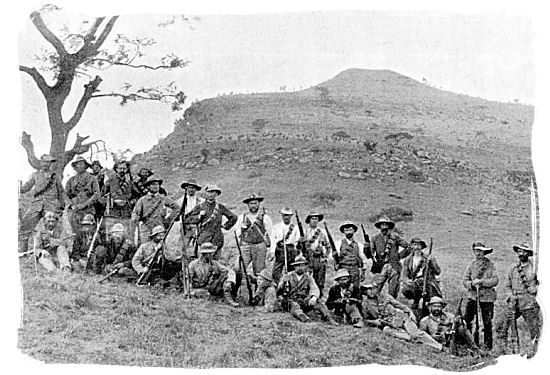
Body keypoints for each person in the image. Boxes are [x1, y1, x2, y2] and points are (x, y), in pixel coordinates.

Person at [361, 281, 443, 350]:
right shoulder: (365, 304)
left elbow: (401, 306)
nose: (372, 291)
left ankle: (439, 346)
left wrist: (410, 312)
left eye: (373, 288)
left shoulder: (385, 297)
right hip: (389, 323)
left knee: (415, 333)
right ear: (365, 291)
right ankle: (410, 338)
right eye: (369, 289)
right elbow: (365, 319)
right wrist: (374, 321)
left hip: (402, 318)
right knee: (386, 330)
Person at [496, 243, 541, 357]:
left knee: (534, 330)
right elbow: (507, 285)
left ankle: (535, 353)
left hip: (528, 302)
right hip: (513, 302)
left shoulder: (534, 268)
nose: (521, 254)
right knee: (502, 325)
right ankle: (503, 350)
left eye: (524, 251)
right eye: (519, 251)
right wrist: (510, 295)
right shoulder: (513, 268)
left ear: (528, 254)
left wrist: (535, 288)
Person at [19, 154, 68, 252]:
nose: (47, 164)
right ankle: (23, 252)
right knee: (26, 224)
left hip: (51, 205)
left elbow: (61, 191)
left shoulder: (55, 176)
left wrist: (62, 206)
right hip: (36, 204)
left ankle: (54, 250)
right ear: (41, 163)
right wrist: (18, 185)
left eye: (49, 162)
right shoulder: (35, 175)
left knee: (53, 227)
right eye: (45, 162)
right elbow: (25, 188)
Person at [277, 255, 338, 325]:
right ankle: (303, 317)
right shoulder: (288, 276)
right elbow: (279, 290)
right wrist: (284, 282)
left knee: (320, 304)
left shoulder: (308, 277)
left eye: (302, 266)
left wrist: (314, 298)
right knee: (294, 305)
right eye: (298, 266)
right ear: (294, 267)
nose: (300, 268)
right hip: (291, 300)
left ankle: (329, 318)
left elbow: (314, 288)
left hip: (303, 300)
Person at [462, 242, 499, 350]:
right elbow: (465, 280)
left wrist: (482, 282)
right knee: (467, 319)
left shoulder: (491, 265)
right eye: (476, 251)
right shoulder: (472, 265)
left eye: (480, 251)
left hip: (487, 298)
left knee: (487, 322)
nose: (478, 253)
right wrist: (471, 284)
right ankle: (469, 342)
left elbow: (495, 280)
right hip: (473, 296)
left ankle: (488, 346)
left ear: (484, 252)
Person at [185, 184, 237, 259]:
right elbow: (188, 219)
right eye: (209, 192)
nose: (211, 194)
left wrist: (225, 226)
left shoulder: (220, 207)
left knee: (215, 263)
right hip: (204, 238)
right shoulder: (199, 206)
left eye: (213, 192)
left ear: (216, 194)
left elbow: (233, 217)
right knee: (202, 262)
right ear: (205, 193)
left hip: (217, 239)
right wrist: (198, 217)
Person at [130, 176, 181, 245]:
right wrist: (136, 220)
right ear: (148, 186)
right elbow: (135, 213)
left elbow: (177, 208)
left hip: (159, 228)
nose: (156, 186)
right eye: (153, 184)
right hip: (146, 229)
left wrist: (168, 220)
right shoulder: (142, 200)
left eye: (157, 184)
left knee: (159, 249)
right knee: (145, 248)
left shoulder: (163, 198)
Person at [188, 242, 241, 307]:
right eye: (209, 253)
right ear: (204, 254)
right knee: (204, 294)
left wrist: (230, 281)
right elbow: (188, 281)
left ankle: (229, 297)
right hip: (198, 289)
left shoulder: (214, 263)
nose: (212, 255)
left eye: (211, 253)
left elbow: (229, 270)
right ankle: (217, 297)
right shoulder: (193, 264)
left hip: (210, 287)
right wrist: (192, 292)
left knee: (231, 273)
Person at [370, 216, 411, 298]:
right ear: (379, 226)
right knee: (376, 288)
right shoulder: (375, 238)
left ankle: (392, 306)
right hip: (381, 266)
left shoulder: (395, 237)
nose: (384, 227)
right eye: (382, 224)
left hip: (394, 265)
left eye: (386, 224)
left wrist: (399, 256)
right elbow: (371, 253)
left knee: (393, 289)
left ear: (389, 226)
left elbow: (408, 247)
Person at [401, 237, 442, 318]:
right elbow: (404, 275)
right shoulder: (408, 260)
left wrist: (432, 262)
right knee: (406, 290)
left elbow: (438, 272)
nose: (416, 247)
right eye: (414, 244)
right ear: (412, 246)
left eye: (419, 245)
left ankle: (427, 313)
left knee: (428, 301)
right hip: (415, 283)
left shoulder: (427, 258)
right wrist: (407, 281)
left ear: (421, 246)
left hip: (428, 283)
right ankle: (416, 301)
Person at [235, 193, 273, 277]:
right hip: (245, 246)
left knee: (259, 272)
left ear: (258, 204)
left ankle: (258, 289)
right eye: (251, 203)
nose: (253, 206)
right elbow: (238, 233)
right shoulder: (242, 217)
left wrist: (271, 250)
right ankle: (238, 289)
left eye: (255, 203)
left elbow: (271, 234)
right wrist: (240, 245)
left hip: (259, 246)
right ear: (248, 205)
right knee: (239, 269)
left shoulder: (265, 218)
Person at [65, 156, 100, 234]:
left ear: (85, 165)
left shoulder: (92, 178)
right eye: (77, 164)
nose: (80, 166)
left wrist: (84, 204)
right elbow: (65, 195)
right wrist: (71, 205)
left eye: (82, 164)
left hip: (88, 210)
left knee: (89, 232)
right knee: (76, 233)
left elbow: (96, 194)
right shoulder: (71, 180)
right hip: (74, 211)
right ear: (75, 166)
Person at [176, 178, 205, 259]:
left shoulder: (201, 201)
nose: (191, 190)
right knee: (183, 246)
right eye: (190, 187)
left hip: (197, 226)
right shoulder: (180, 201)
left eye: (193, 188)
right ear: (186, 189)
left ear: (196, 189)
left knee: (198, 246)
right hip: (186, 227)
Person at [271, 208, 301, 284]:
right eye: (284, 215)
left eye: (288, 215)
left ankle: (291, 287)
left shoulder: (295, 228)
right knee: (276, 270)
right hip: (280, 250)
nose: (286, 217)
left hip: (291, 250)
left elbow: (297, 241)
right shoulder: (276, 227)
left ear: (291, 216)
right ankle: (277, 286)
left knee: (292, 270)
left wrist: (297, 252)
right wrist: (272, 252)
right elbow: (273, 240)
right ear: (282, 216)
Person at [303, 211, 329, 297]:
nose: (314, 221)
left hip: (319, 258)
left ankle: (319, 297)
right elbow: (300, 247)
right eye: (312, 219)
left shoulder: (322, 232)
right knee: (308, 278)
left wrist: (325, 257)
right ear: (309, 220)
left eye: (316, 219)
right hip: (308, 258)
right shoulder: (305, 232)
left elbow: (328, 246)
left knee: (320, 280)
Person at [334, 221, 364, 289]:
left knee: (356, 289)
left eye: (350, 230)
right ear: (343, 232)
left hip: (355, 270)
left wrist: (363, 272)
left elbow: (362, 259)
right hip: (344, 270)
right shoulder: (338, 244)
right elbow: (335, 259)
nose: (348, 232)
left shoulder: (358, 245)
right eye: (346, 230)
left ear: (354, 231)